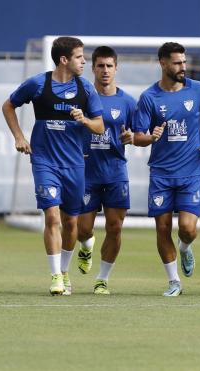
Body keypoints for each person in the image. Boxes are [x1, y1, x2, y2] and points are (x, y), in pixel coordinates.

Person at [1, 36, 104, 295]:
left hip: (74, 163)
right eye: (80, 57)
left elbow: (100, 126)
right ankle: (56, 275)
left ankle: (66, 271)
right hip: (44, 161)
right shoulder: (38, 84)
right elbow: (8, 105)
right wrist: (19, 136)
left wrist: (84, 120)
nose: (84, 62)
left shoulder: (86, 89)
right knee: (52, 216)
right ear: (64, 60)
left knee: (71, 222)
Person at [133, 42, 200, 297]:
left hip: (191, 172)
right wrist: (151, 137)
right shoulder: (149, 98)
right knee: (162, 228)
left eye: (184, 62)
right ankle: (174, 282)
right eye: (178, 62)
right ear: (163, 64)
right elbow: (137, 137)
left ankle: (184, 247)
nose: (183, 67)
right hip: (161, 174)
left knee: (187, 229)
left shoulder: (198, 90)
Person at [76, 46, 136, 295]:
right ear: (93, 68)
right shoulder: (81, 96)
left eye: (109, 66)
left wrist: (132, 136)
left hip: (115, 172)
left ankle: (102, 279)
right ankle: (87, 245)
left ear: (116, 68)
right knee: (82, 229)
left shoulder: (128, 102)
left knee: (115, 227)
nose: (105, 71)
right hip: (87, 173)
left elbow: (139, 133)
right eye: (100, 66)